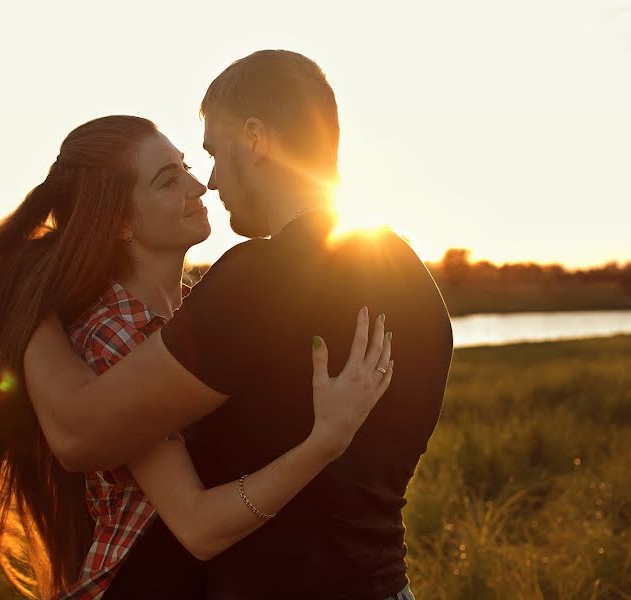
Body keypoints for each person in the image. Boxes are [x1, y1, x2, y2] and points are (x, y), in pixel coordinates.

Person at [0, 114, 392, 600]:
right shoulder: (115, 338)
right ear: (118, 223)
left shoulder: (186, 318)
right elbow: (197, 525)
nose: (197, 185)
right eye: (167, 180)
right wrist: (325, 442)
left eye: (186, 167)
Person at [24, 51, 453, 599]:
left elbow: (79, 434)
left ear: (254, 138)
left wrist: (22, 305)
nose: (210, 180)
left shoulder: (261, 279)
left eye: (212, 153)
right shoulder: (413, 279)